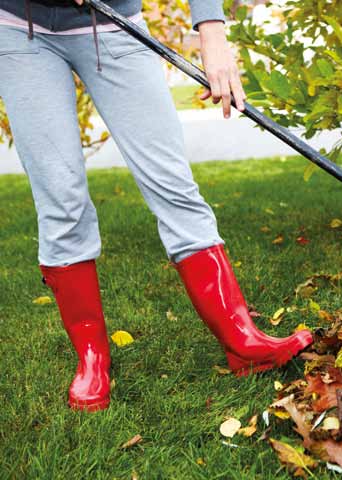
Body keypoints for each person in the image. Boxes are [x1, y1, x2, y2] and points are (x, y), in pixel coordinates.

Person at [0, 0, 313, 412]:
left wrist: (212, 33)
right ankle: (92, 361)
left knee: (173, 186)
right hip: (19, 31)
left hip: (114, 23)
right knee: (61, 198)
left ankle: (243, 341)